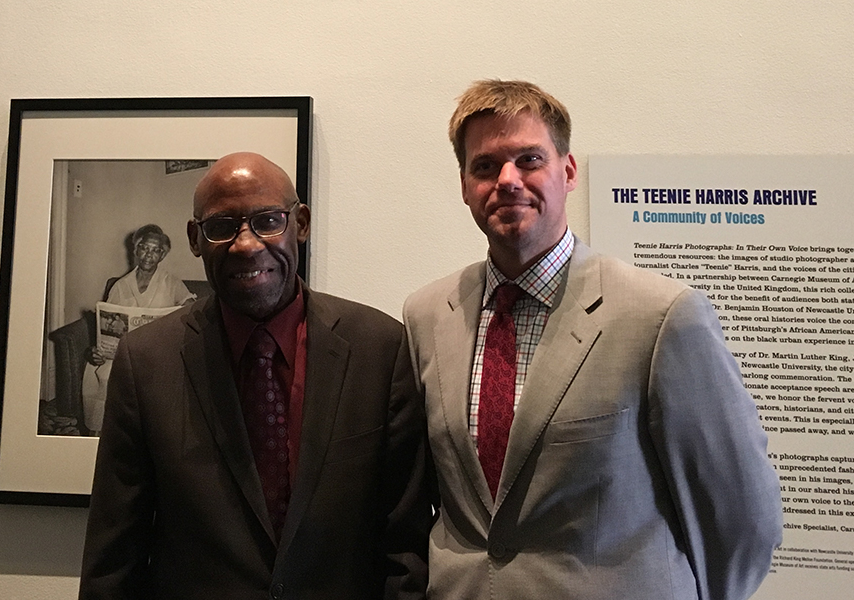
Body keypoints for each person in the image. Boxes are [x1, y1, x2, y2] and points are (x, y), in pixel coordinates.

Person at [402, 80, 783, 600]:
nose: (507, 180)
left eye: (529, 159)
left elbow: (741, 515)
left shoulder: (660, 315)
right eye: (485, 166)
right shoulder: (427, 315)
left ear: (568, 170)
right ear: (465, 184)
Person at [80, 152, 429, 600]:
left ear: (300, 224)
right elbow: (114, 558)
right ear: (195, 238)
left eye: (268, 221)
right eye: (222, 226)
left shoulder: (381, 349)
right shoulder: (146, 362)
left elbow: (406, 547)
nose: (245, 244)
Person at [81, 225, 194, 434]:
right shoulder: (120, 286)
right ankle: (107, 434)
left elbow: (191, 309)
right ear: (135, 250)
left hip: (160, 354)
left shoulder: (172, 283)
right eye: (143, 248)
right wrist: (98, 351)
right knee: (105, 373)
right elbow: (107, 330)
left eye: (155, 250)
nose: (148, 254)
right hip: (125, 353)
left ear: (162, 254)